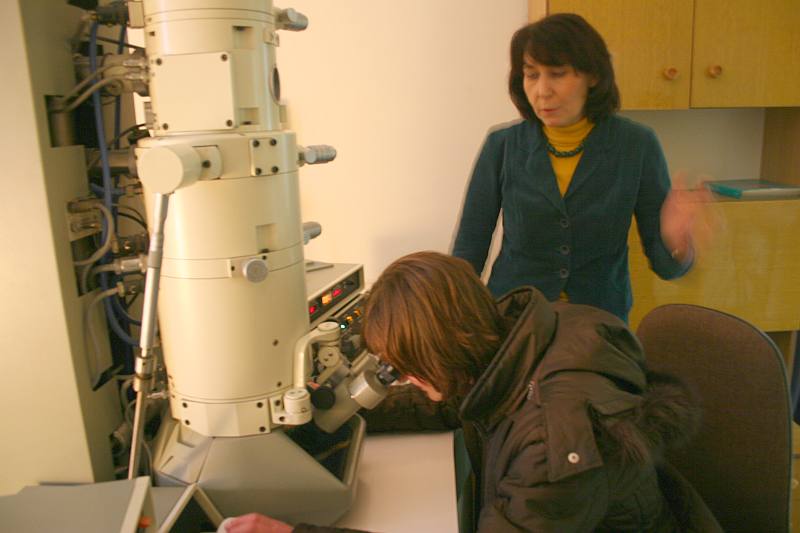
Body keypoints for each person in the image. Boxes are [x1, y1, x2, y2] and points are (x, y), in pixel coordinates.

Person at [221, 251, 721, 532]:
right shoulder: (525, 336)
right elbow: (455, 399)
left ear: (440, 354)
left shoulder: (551, 444)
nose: (403, 378)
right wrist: (343, 411)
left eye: (406, 367)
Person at [452, 13, 711, 322]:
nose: (542, 90)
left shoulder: (636, 145)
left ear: (593, 76)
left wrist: (677, 242)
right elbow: (468, 251)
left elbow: (666, 267)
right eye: (531, 75)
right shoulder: (502, 145)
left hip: (598, 324)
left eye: (557, 74)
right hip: (516, 320)